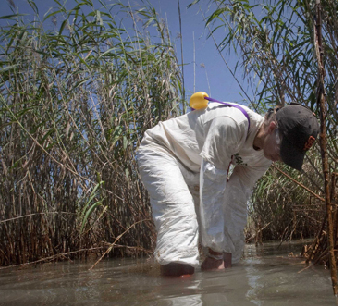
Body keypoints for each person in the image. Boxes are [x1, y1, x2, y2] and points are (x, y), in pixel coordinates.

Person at [136, 100, 319, 276]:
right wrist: (216, 253)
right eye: (283, 150)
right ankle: (178, 299)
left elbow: (236, 197)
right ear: (272, 128)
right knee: (182, 222)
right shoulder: (232, 124)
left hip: (196, 169)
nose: (281, 158)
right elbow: (213, 184)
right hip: (162, 151)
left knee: (218, 250)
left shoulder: (264, 158)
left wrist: (227, 253)